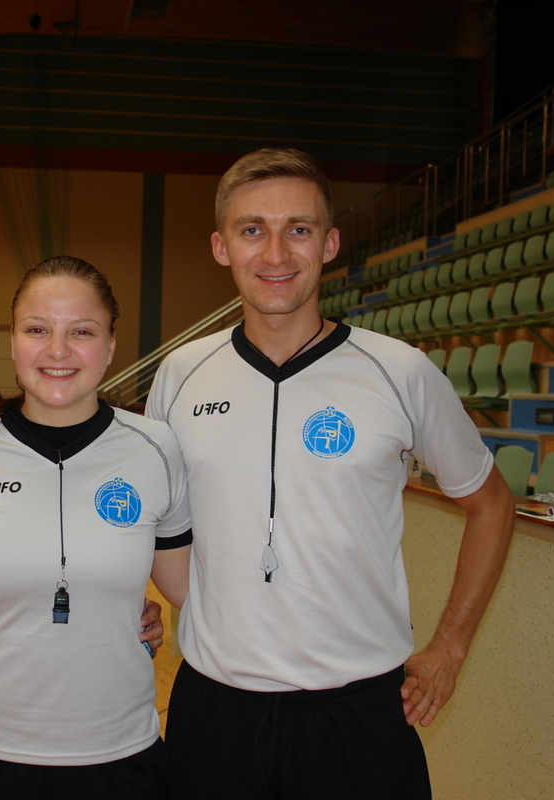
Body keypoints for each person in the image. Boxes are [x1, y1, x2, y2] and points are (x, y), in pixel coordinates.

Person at [145, 148, 516, 799]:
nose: (276, 253)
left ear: (331, 243)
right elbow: (153, 517)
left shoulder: (399, 372)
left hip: (360, 716)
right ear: (221, 247)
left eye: (299, 228)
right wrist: (129, 602)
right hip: (214, 710)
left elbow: (492, 505)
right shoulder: (179, 374)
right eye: (252, 229)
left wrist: (450, 647)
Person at [0, 256, 192, 800]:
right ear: (13, 341)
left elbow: (190, 587)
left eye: (82, 331)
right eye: (37, 330)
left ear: (110, 345)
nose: (58, 350)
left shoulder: (156, 448)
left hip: (118, 756)